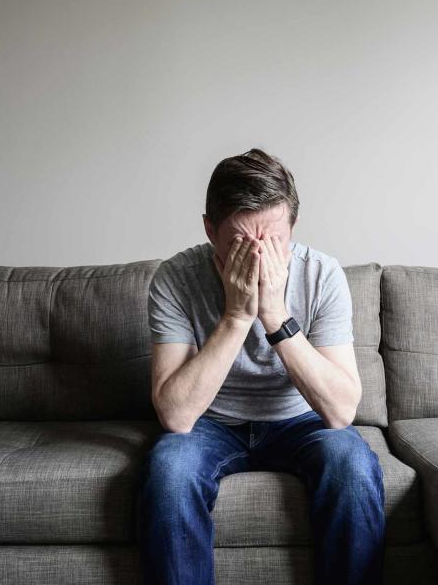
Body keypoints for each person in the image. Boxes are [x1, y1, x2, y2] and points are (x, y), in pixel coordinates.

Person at [136, 148, 385, 585]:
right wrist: (235, 317)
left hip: (299, 420)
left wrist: (275, 316)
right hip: (211, 423)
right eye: (238, 243)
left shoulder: (322, 275)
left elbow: (341, 412)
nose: (257, 257)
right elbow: (175, 416)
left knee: (354, 464)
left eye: (273, 242)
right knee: (169, 473)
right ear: (209, 229)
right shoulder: (175, 278)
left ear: (292, 227)